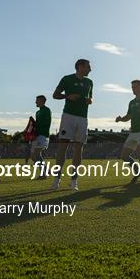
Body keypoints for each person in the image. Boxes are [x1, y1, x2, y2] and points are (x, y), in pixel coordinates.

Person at [51, 59, 93, 191]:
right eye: (88, 67)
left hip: (82, 118)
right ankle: (56, 180)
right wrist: (67, 96)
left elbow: (90, 98)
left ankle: (74, 181)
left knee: (78, 149)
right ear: (80, 67)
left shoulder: (89, 82)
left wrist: (89, 100)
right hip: (68, 116)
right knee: (63, 148)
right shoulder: (67, 79)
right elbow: (55, 95)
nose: (90, 69)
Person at [30, 95, 52, 179]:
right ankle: (46, 169)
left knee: (36, 154)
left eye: (37, 100)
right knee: (33, 156)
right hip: (37, 136)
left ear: (42, 101)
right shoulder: (37, 112)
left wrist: (36, 125)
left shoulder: (46, 110)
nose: (35, 102)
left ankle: (43, 174)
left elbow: (46, 123)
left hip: (43, 135)